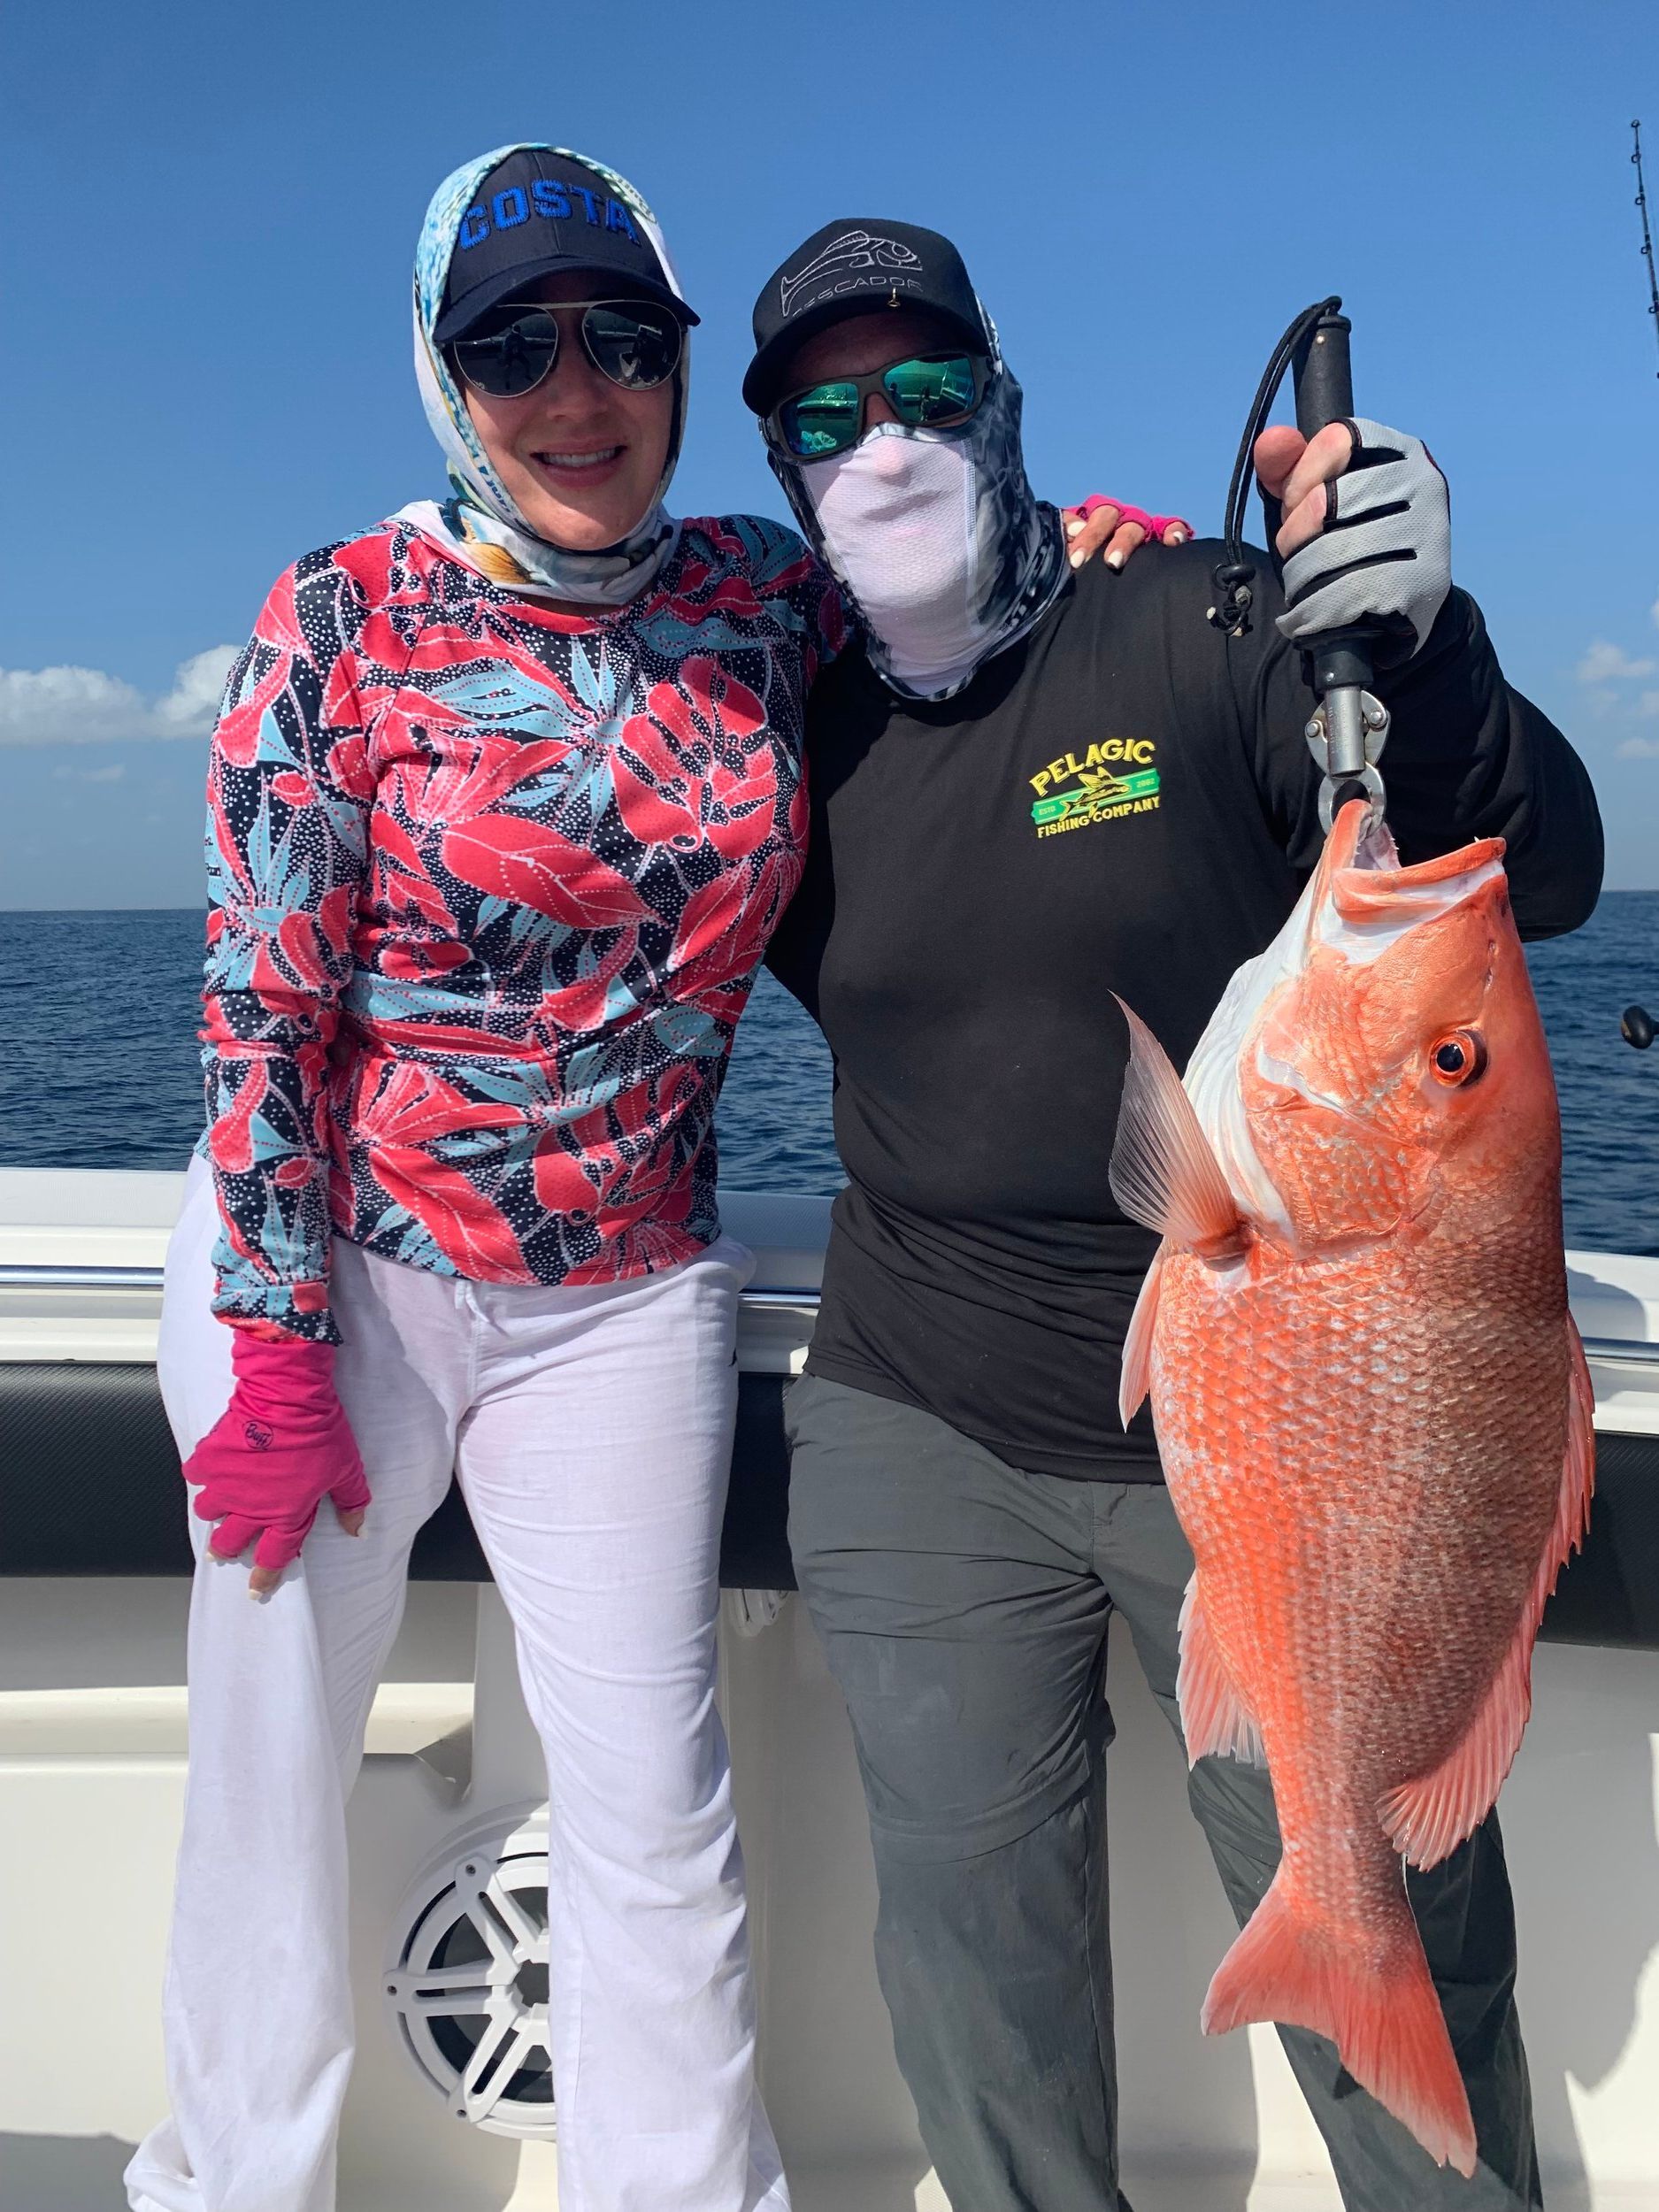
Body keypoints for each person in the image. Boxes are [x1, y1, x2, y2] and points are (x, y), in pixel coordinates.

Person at [127, 149, 1155, 2212]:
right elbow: (258, 1001)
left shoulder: (763, 605)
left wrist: (1096, 547)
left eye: (622, 337)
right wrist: (264, 1327)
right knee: (267, 1791)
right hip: (337, 1273)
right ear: (445, 374)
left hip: (627, 1289)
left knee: (654, 1819)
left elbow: (969, 615)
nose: (573, 388)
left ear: (681, 372)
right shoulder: (332, 615)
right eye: (512, 346)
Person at [748, 216, 1604, 2212]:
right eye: (829, 411)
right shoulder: (787, 726)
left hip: (1268, 1420)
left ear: (1003, 403)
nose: (885, 440)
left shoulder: (1205, 623)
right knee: (973, 1957)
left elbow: (1528, 868)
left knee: (1381, 1894)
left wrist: (1417, 632)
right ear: (782, 459)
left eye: (931, 392)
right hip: (916, 1409)